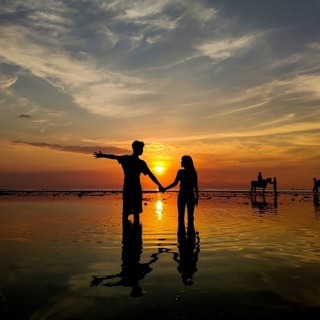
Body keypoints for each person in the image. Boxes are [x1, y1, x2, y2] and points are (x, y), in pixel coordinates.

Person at [93, 140, 164, 220]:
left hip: (133, 189)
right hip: (131, 189)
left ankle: (133, 230)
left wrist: (159, 185)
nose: (142, 150)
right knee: (130, 213)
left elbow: (150, 174)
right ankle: (131, 230)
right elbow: (114, 156)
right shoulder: (134, 161)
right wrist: (102, 155)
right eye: (141, 148)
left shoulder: (135, 161)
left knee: (132, 214)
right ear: (136, 149)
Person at [164, 155, 199, 225]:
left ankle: (182, 233)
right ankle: (189, 233)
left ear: (186, 162)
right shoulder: (191, 172)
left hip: (184, 195)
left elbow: (174, 183)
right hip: (189, 195)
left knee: (182, 215)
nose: (181, 162)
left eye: (182, 161)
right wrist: (197, 197)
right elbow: (195, 186)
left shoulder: (182, 172)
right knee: (189, 216)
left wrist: (164, 189)